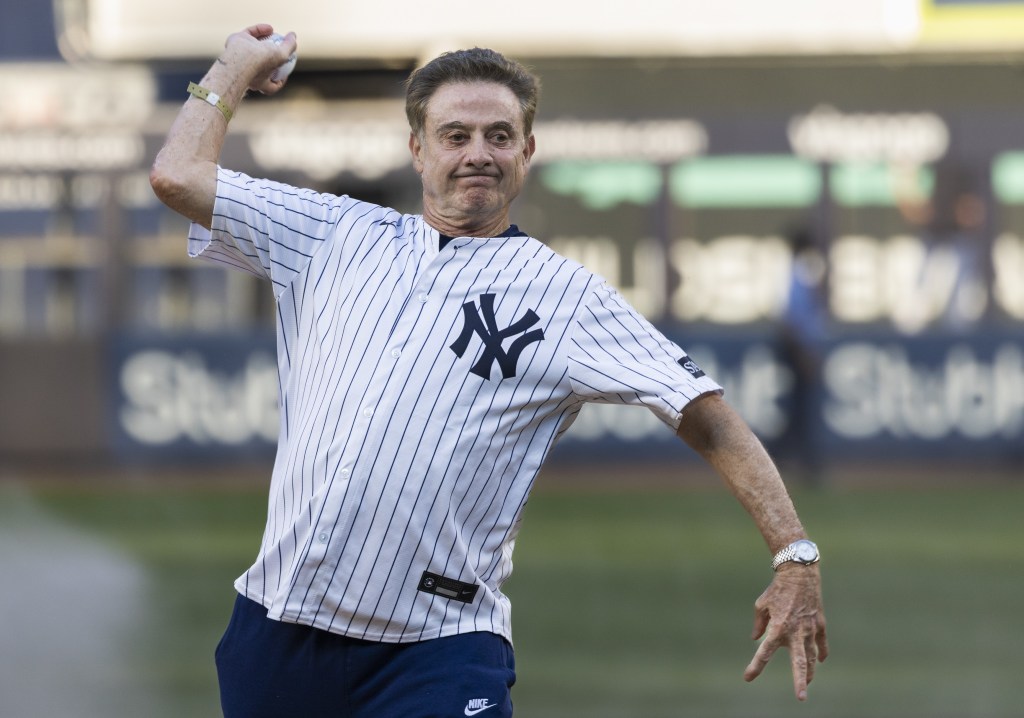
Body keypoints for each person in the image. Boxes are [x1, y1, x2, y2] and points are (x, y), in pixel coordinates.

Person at [150, 24, 828, 717]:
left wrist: (794, 555)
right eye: (455, 135)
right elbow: (177, 175)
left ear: (527, 152)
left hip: (436, 649)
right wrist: (232, 68)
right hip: (277, 629)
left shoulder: (568, 297)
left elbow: (707, 415)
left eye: (499, 136)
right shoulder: (331, 234)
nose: (478, 153)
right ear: (417, 150)